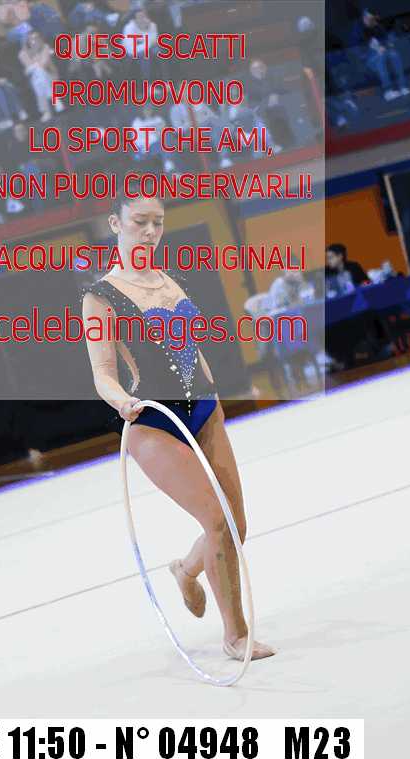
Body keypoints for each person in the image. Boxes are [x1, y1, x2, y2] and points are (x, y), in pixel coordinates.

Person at [82, 187, 275, 661]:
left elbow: (192, 347)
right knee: (216, 520)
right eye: (139, 222)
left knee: (236, 526)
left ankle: (186, 571)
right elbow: (102, 372)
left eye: (158, 222)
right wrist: (122, 401)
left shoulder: (172, 279)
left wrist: (217, 393)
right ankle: (235, 635)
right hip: (152, 420)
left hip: (205, 409)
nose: (150, 231)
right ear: (115, 224)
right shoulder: (100, 296)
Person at [350, 8, 410, 101]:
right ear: (364, 17)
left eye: (373, 19)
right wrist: (369, 49)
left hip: (382, 51)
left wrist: (385, 46)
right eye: (369, 19)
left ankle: (402, 86)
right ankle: (388, 91)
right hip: (368, 57)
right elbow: (355, 48)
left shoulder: (376, 25)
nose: (371, 21)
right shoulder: (357, 29)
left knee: (394, 54)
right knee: (379, 58)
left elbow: (385, 38)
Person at [18, 31, 63, 121]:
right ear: (27, 41)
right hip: (35, 79)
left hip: (50, 74)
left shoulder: (45, 47)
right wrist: (36, 63)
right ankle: (55, 99)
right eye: (31, 38)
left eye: (36, 38)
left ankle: (46, 112)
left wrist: (35, 64)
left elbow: (44, 64)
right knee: (39, 75)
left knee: (40, 74)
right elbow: (28, 66)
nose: (34, 40)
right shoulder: (23, 53)